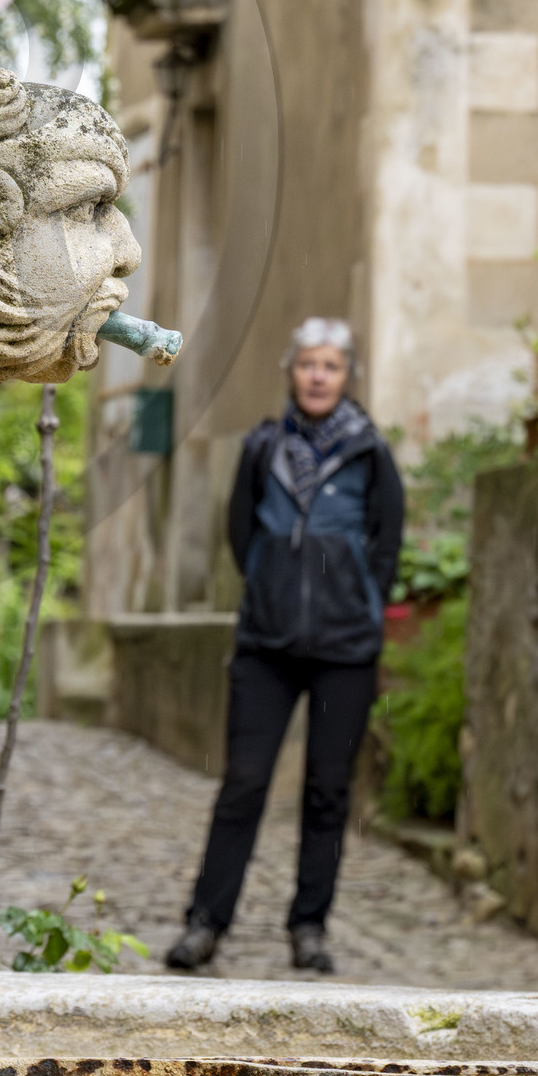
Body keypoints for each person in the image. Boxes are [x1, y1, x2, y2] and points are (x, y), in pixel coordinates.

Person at [165, 319, 403, 976]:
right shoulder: (263, 447)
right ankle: (205, 923)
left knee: (328, 790)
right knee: (243, 784)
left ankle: (309, 927)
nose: (319, 375)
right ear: (291, 372)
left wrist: (354, 602)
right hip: (267, 646)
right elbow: (241, 532)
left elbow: (387, 541)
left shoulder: (369, 451)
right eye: (308, 364)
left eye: (331, 365)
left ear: (346, 374)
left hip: (345, 652)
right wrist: (274, 588)